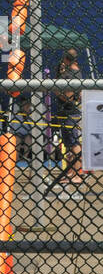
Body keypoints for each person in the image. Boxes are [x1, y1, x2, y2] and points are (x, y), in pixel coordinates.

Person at [53, 49, 83, 182]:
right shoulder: (70, 72)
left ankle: (77, 174)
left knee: (74, 143)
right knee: (68, 144)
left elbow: (69, 97)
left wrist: (55, 91)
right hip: (66, 112)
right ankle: (71, 172)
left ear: (66, 59)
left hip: (71, 112)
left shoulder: (73, 73)